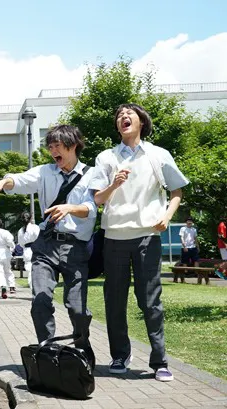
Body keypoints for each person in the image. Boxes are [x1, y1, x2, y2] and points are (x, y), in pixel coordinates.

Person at [0, 124, 97, 369]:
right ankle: (48, 351)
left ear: (73, 145)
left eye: (58, 146)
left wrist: (69, 209)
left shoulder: (92, 174)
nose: (53, 151)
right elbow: (21, 180)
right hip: (45, 245)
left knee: (77, 308)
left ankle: (83, 344)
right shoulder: (46, 172)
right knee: (40, 301)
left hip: (75, 247)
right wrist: (4, 182)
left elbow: (93, 209)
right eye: (50, 146)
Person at [91, 103, 188, 382]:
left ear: (141, 122)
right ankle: (119, 355)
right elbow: (97, 198)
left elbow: (176, 191)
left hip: (148, 236)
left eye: (128, 114)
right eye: (119, 115)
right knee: (114, 300)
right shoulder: (107, 157)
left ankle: (159, 361)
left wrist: (167, 217)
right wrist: (114, 184)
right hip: (115, 238)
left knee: (150, 301)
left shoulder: (158, 155)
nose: (123, 118)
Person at [17, 212, 40, 290]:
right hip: (37, 248)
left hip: (27, 251)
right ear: (30, 218)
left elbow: (20, 244)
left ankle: (33, 289)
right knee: (40, 270)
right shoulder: (35, 227)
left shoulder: (20, 230)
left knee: (30, 272)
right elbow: (39, 238)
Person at [179, 217, 203, 284]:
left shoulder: (194, 229)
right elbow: (181, 238)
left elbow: (195, 238)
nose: (189, 222)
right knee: (185, 261)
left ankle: (196, 273)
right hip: (185, 247)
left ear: (192, 222)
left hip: (193, 247)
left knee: (196, 260)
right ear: (186, 222)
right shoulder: (183, 229)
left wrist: (198, 247)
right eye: (188, 221)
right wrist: (184, 246)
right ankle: (185, 273)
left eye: (191, 221)